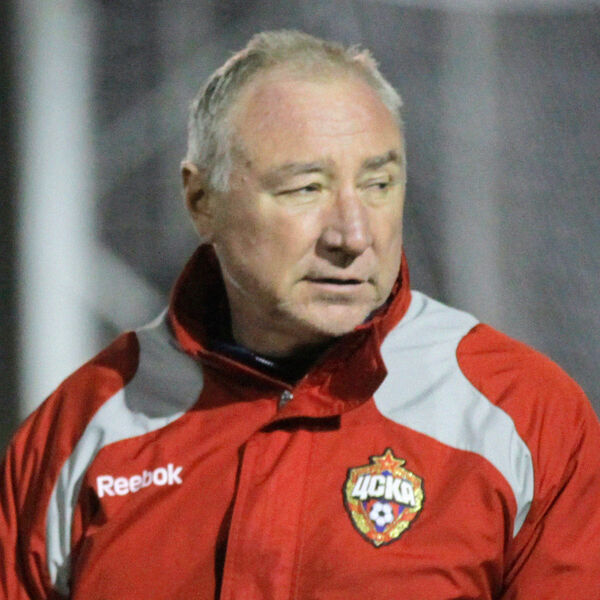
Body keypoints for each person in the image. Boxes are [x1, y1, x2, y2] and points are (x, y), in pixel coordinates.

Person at [1, 30, 599, 600]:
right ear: (201, 200)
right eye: (306, 189)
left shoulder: (524, 416)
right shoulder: (80, 429)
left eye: (379, 184)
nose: (353, 235)